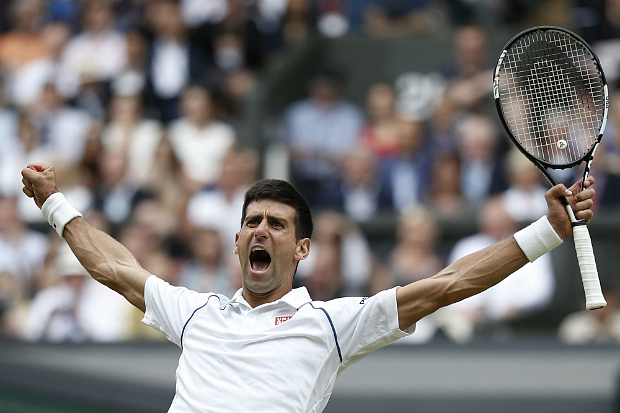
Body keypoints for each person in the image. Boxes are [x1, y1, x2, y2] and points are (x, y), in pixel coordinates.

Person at [21, 161, 596, 413]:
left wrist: (549, 230)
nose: (260, 231)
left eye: (276, 224)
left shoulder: (331, 324)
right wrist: (54, 202)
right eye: (251, 222)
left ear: (301, 250)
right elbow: (114, 267)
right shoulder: (197, 313)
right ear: (238, 241)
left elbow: (448, 283)